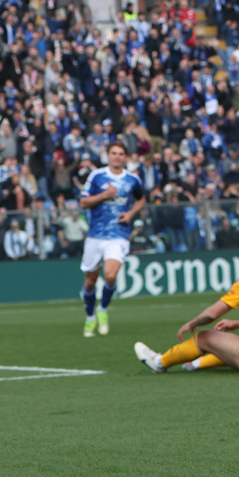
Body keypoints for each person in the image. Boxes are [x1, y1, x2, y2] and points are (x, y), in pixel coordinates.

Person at [135, 236, 239, 373]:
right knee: (238, 342)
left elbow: (212, 314)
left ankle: (159, 363)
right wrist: (236, 323)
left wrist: (192, 323)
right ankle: (197, 364)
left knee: (205, 337)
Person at [78, 141, 146, 337]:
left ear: (125, 157)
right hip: (95, 235)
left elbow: (141, 199)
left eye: (121, 153)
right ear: (108, 155)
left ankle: (103, 309)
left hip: (119, 235)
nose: (117, 156)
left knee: (110, 275)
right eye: (114, 153)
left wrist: (131, 213)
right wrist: (104, 195)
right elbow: (83, 202)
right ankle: (90, 317)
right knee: (90, 281)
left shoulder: (132, 180)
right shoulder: (97, 176)